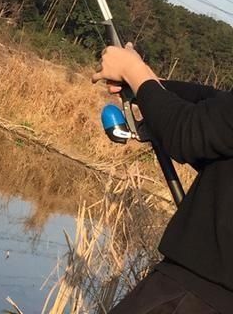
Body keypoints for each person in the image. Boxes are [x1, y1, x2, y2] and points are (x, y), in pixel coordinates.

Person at [92, 42, 233, 314]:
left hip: (195, 294)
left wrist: (133, 71)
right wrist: (149, 84)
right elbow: (216, 110)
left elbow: (190, 133)